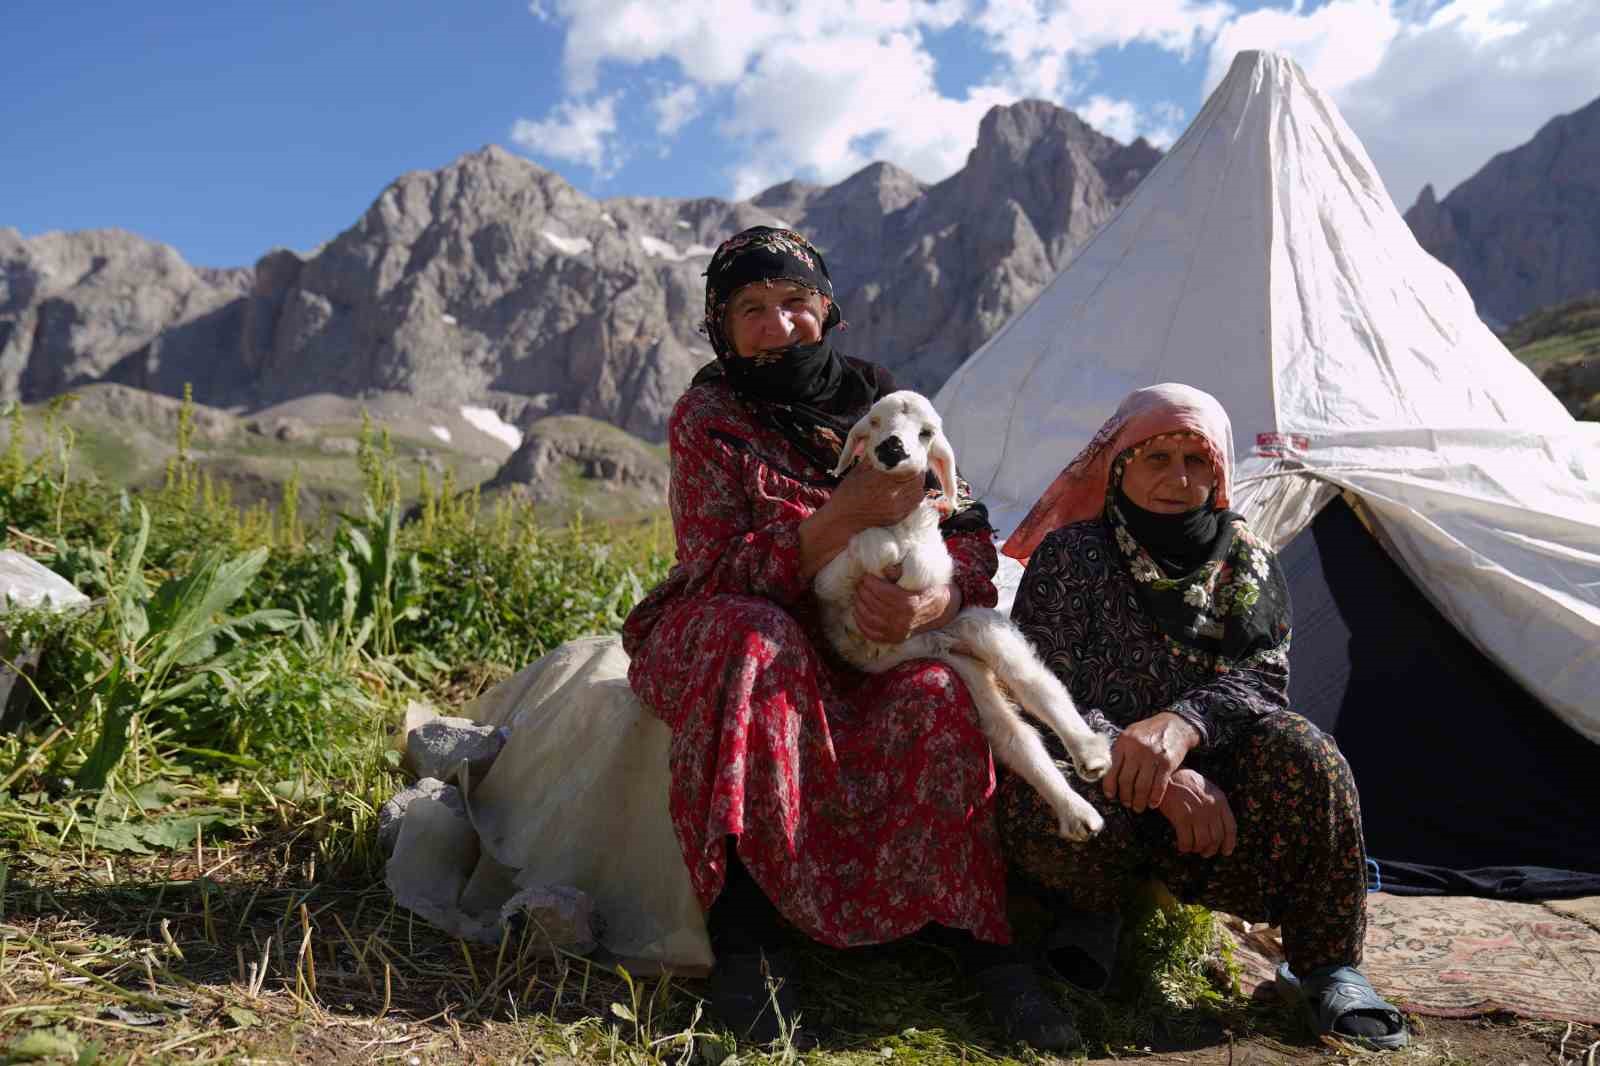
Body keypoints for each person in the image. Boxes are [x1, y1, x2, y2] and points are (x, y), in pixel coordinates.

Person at [622, 226, 1076, 1050]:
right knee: (756, 638)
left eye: (795, 303)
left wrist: (932, 605)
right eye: (751, 310)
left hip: (877, 646)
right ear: (721, 328)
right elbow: (715, 566)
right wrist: (839, 521)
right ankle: (748, 945)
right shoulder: (710, 419)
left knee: (943, 689)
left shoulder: (891, 410)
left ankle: (985, 946)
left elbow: (970, 537)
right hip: (745, 631)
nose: (778, 326)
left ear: (826, 310)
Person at [995, 383, 1408, 1051]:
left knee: (1308, 753)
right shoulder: (1073, 556)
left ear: (1219, 470)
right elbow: (1043, 691)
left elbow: (1262, 678)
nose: (1177, 480)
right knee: (1037, 784)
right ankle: (1089, 913)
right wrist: (1154, 773)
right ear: (1119, 466)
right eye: (1156, 459)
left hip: (1213, 795)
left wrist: (1183, 728)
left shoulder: (1244, 558)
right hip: (1104, 773)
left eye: (1197, 461)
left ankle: (1327, 966)